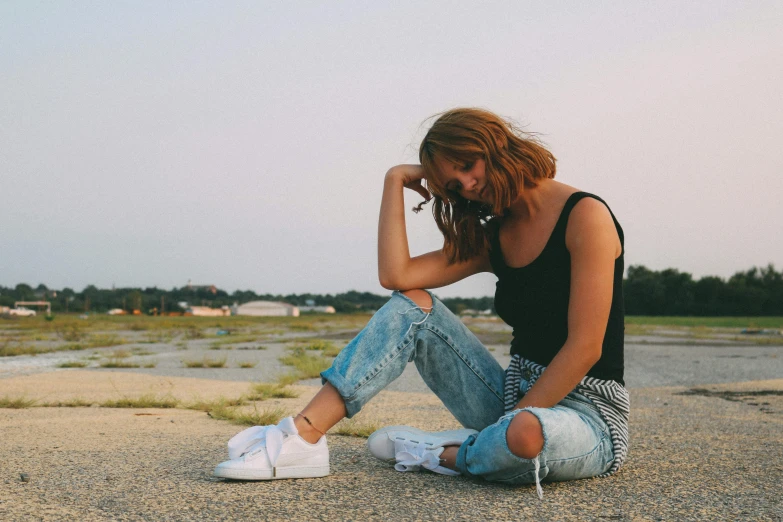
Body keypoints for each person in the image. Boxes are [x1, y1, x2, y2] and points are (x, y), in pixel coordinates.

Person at [213, 108, 629, 497]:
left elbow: (586, 347)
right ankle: (302, 436)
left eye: (467, 165)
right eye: (451, 184)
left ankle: (442, 454)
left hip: (588, 412)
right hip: (510, 397)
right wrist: (394, 180)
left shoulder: (585, 216)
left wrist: (505, 428)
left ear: (494, 144)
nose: (466, 186)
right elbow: (397, 277)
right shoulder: (497, 235)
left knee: (523, 435)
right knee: (414, 305)